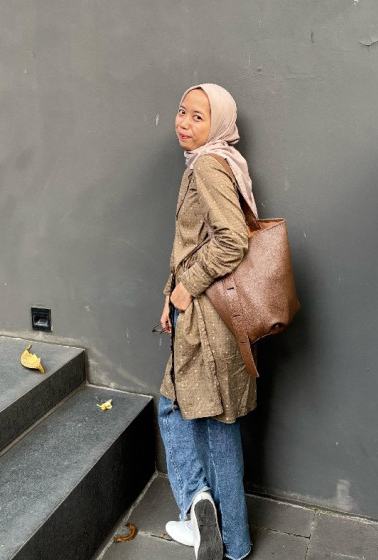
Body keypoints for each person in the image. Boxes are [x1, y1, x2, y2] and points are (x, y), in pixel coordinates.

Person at [157, 83, 258, 560]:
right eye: (182, 111)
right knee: (215, 420)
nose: (184, 122)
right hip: (208, 312)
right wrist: (170, 295)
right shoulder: (215, 161)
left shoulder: (208, 166)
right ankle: (230, 539)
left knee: (179, 409)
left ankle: (198, 503)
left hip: (207, 316)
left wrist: (187, 287)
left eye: (198, 116)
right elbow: (193, 242)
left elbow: (233, 240)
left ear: (217, 123)